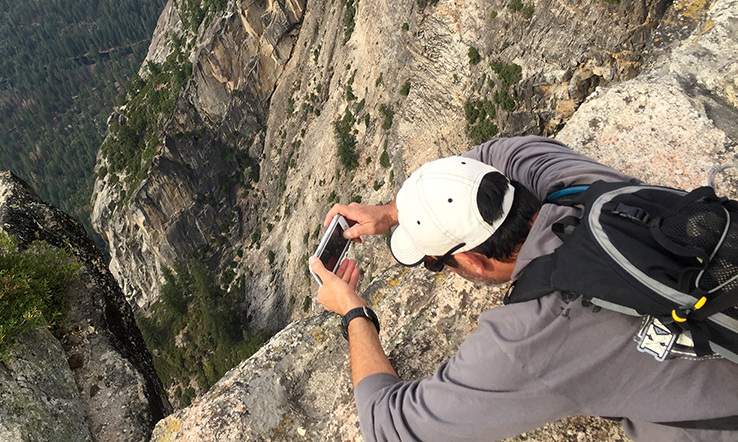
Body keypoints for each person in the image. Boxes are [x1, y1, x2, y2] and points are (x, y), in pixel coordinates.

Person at [309, 135, 738, 442]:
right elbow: (492, 153)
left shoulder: (531, 337)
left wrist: (353, 313)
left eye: (438, 264)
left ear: (474, 263)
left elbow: (387, 426)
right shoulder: (572, 183)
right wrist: (395, 212)